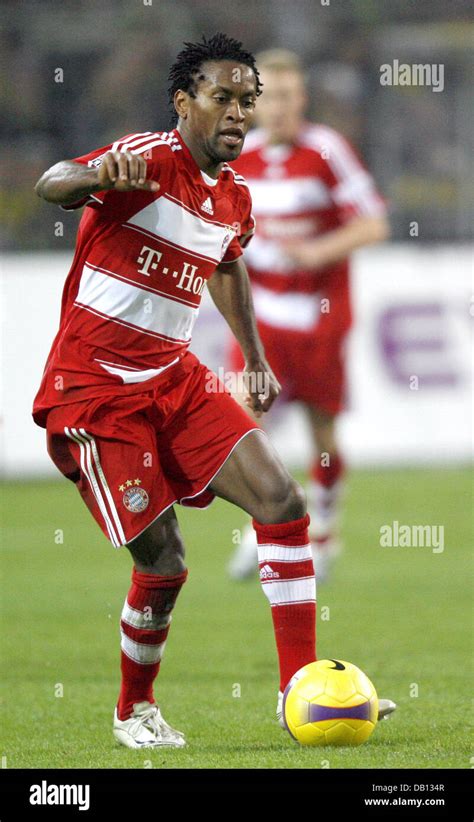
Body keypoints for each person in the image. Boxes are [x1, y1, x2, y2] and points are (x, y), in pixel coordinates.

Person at [33, 34, 394, 750]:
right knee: (163, 558)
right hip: (97, 392)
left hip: (174, 376)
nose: (238, 113)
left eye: (246, 101)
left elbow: (227, 263)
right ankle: (134, 710)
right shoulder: (146, 160)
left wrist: (254, 358)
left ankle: (296, 688)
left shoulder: (232, 195)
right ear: (183, 102)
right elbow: (53, 184)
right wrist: (97, 173)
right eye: (222, 98)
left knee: (282, 501)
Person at [226, 49, 390, 582]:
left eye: (288, 97)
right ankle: (266, 526)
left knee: (322, 430)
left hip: (319, 316)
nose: (278, 108)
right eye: (266, 98)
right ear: (252, 105)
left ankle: (324, 524)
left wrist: (315, 254)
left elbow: (374, 223)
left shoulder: (326, 150)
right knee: (244, 418)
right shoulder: (238, 159)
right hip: (261, 317)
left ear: (303, 100)